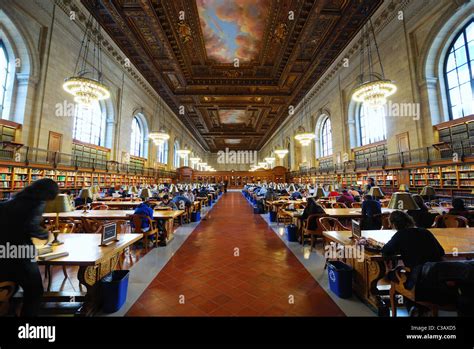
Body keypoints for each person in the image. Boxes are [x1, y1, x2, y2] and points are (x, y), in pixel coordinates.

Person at [0, 178, 59, 317]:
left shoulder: (13, 200)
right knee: (35, 291)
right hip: (21, 254)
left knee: (10, 288)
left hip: (3, 252)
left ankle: (10, 311)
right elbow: (30, 226)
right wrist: (46, 234)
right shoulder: (36, 203)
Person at [382, 211, 445, 315]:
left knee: (393, 275)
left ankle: (413, 306)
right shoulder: (425, 231)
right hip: (436, 275)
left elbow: (385, 251)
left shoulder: (400, 235)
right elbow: (441, 252)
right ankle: (420, 308)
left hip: (417, 277)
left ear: (393, 224)